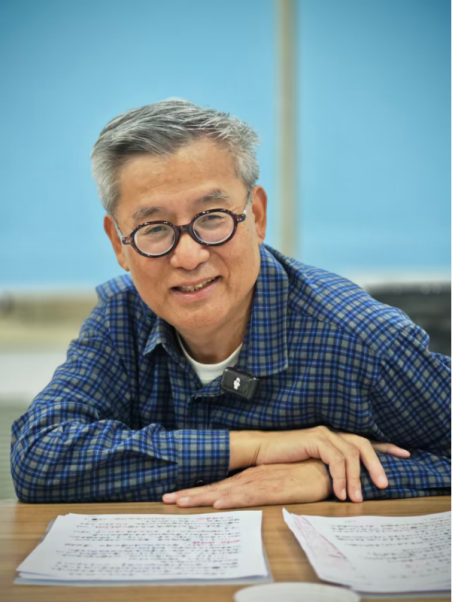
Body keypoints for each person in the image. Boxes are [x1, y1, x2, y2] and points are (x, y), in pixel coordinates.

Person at [11, 99, 450, 508]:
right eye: (155, 228)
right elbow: (39, 456)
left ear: (256, 216)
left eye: (212, 218)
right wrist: (255, 448)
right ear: (119, 244)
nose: (188, 257)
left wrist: (325, 476)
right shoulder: (122, 318)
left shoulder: (362, 339)